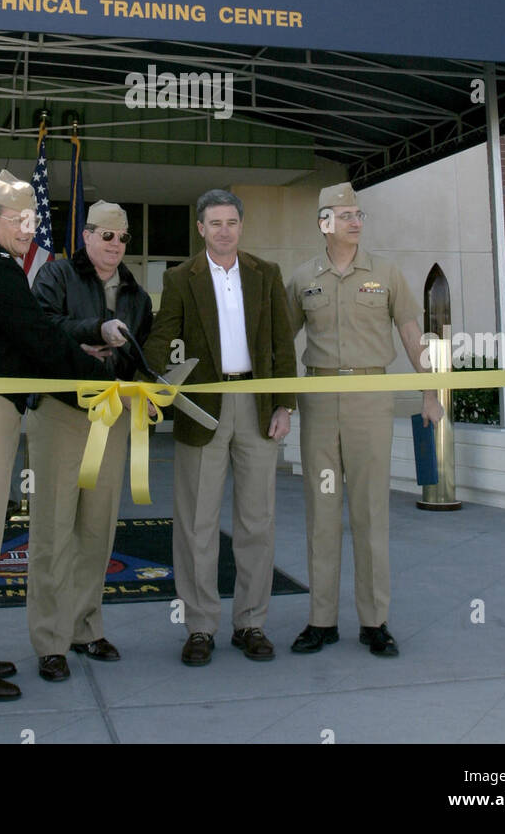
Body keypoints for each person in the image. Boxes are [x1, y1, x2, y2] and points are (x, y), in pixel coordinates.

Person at [0, 170, 103, 695]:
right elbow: (36, 338)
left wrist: (80, 352)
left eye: (34, 220)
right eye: (17, 220)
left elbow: (35, 334)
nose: (28, 230)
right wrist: (104, 379)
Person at [286, 182, 443, 658]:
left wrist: (431, 389)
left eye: (358, 214)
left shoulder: (387, 274)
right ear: (324, 223)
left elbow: (414, 335)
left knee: (371, 511)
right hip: (318, 398)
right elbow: (277, 340)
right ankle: (322, 620)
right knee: (322, 511)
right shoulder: (301, 278)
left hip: (370, 398)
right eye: (345, 214)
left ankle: (375, 622)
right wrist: (275, 400)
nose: (355, 221)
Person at [143, 189, 296, 666]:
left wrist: (285, 403)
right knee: (196, 525)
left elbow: (282, 344)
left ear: (240, 226)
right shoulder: (179, 278)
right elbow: (162, 336)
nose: (224, 230)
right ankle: (201, 627)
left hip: (256, 404)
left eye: (231, 222)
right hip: (201, 409)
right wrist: (148, 385)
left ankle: (251, 622)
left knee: (257, 521)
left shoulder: (265, 275)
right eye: (215, 222)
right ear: (201, 228)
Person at [30, 201, 152, 680]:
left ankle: (86, 628)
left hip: (113, 417)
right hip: (61, 414)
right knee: (52, 530)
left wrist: (127, 366)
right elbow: (40, 329)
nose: (115, 245)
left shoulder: (137, 295)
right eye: (106, 236)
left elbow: (137, 354)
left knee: (97, 531)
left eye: (121, 238)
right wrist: (89, 332)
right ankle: (50, 640)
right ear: (85, 236)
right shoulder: (57, 277)